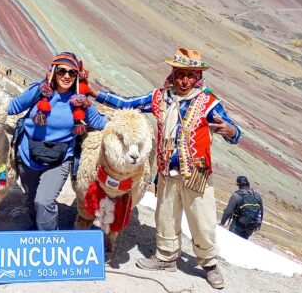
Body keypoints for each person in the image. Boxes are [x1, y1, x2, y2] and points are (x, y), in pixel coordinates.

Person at [88, 47, 241, 289]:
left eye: (190, 75)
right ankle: (166, 257)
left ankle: (209, 264)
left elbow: (233, 131)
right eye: (180, 74)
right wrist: (95, 94)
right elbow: (129, 103)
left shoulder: (209, 103)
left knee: (201, 219)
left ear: (198, 77)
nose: (184, 80)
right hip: (166, 173)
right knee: (166, 216)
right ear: (173, 72)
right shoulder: (159, 97)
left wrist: (232, 132)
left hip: (196, 174)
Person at [8, 52, 106, 230]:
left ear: (78, 76)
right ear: (53, 71)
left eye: (72, 73)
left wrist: (126, 123)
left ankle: (50, 240)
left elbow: (99, 123)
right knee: (31, 199)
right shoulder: (39, 91)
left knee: (44, 201)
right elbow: (13, 106)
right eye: (61, 71)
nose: (66, 76)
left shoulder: (80, 101)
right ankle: (35, 226)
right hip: (28, 154)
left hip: (59, 159)